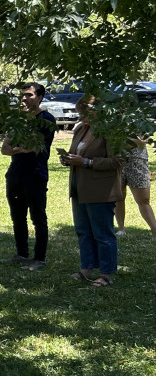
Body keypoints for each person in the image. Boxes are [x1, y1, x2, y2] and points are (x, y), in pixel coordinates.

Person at [60, 95, 123, 287]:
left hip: (100, 190)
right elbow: (77, 154)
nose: (82, 115)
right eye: (81, 111)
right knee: (83, 231)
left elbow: (118, 161)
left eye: (86, 111)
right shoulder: (81, 128)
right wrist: (68, 159)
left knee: (103, 233)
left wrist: (86, 162)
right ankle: (86, 268)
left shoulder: (111, 131)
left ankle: (106, 274)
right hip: (79, 187)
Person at [0, 82, 56, 271]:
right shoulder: (18, 120)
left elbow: (33, 145)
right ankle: (21, 253)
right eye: (23, 95)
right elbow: (4, 149)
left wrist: (16, 148)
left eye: (29, 95)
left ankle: (39, 258)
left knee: (38, 218)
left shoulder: (47, 119)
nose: (24, 99)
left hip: (35, 175)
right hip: (15, 174)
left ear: (39, 97)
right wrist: (19, 149)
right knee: (18, 216)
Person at [114, 139, 156, 238]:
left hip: (137, 161)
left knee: (143, 200)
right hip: (117, 160)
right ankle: (121, 229)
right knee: (118, 197)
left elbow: (142, 140)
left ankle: (155, 231)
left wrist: (117, 144)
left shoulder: (142, 123)